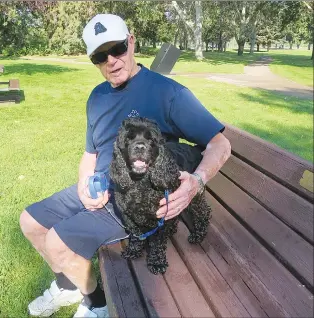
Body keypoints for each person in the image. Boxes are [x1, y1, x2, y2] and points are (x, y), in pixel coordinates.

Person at [20, 13, 231, 318]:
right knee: (30, 222)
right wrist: (83, 182)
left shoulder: (168, 93)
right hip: (101, 187)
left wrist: (195, 184)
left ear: (132, 42)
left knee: (57, 242)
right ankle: (68, 286)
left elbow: (220, 144)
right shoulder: (97, 97)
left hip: (136, 200)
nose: (111, 61)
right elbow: (89, 154)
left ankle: (97, 303)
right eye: (100, 56)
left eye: (117, 48)